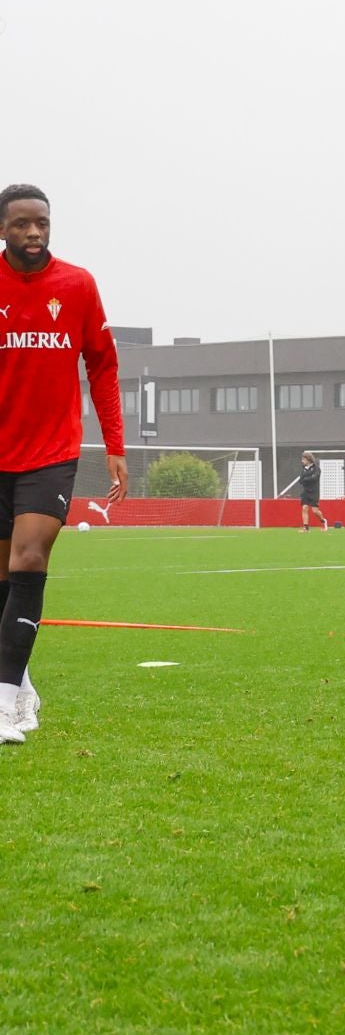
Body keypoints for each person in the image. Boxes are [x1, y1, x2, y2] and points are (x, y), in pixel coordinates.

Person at [0, 184, 127, 741]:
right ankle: (20, 683)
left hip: (51, 452)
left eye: (43, 223)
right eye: (23, 223)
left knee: (29, 560)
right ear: (3, 228)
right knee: (2, 579)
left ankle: (3, 704)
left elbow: (103, 366)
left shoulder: (77, 285)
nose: (34, 233)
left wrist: (116, 445)